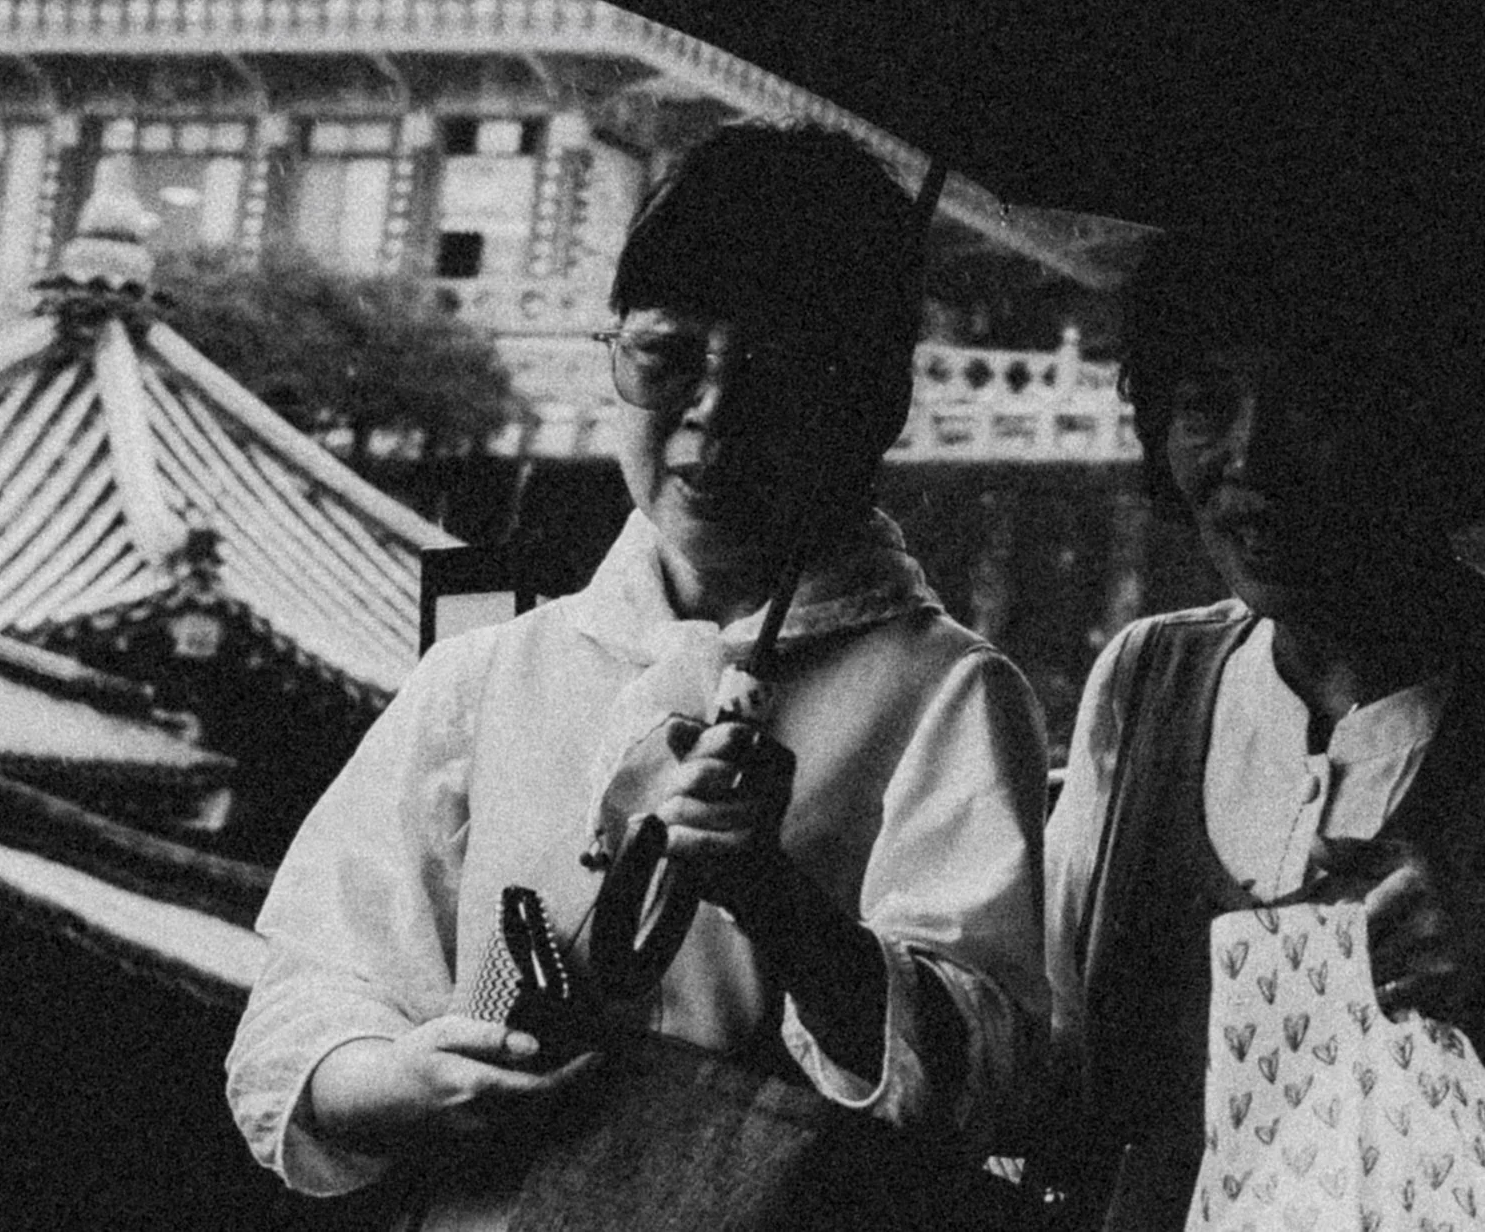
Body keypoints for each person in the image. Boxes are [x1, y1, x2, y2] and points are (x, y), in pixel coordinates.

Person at [228, 123, 1051, 1224]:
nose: (713, 412)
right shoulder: (485, 676)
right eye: (666, 359)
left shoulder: (947, 695)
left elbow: (986, 1084)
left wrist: (776, 902)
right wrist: (400, 1079)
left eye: (774, 373)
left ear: (874, 406)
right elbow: (306, 1007)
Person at [1038, 212, 1485, 1230]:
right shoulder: (1142, 684)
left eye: (1314, 400)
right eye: (1205, 401)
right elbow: (1055, 1051)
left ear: (1431, 424)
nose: (1250, 456)